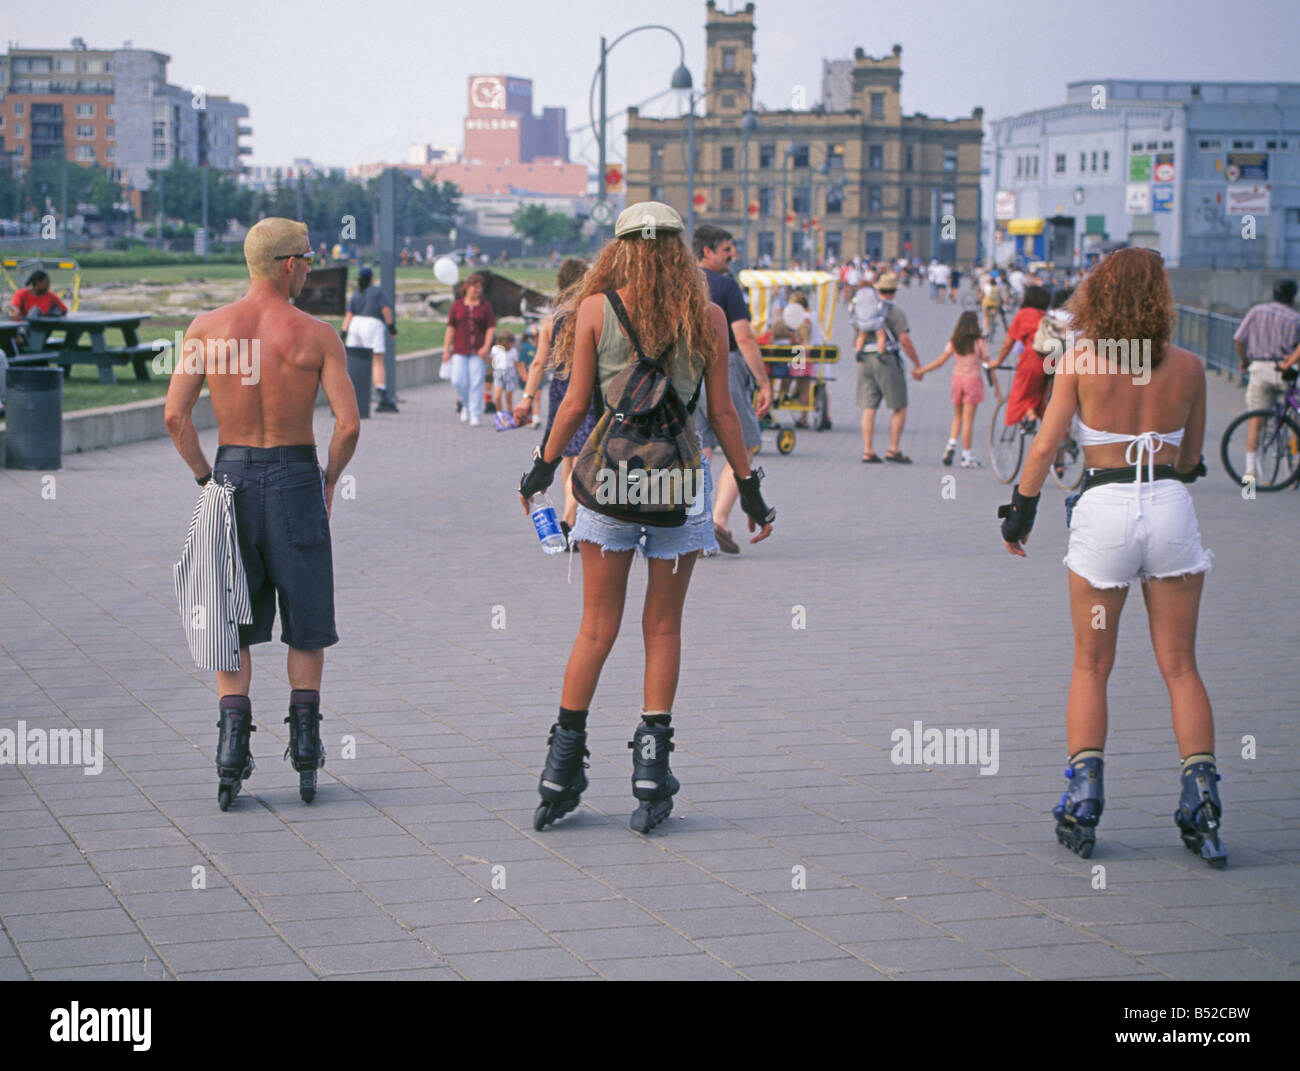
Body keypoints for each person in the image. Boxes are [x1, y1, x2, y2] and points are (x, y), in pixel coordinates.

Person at [518, 201, 774, 834]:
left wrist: (540, 472)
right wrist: (750, 491)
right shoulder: (707, 315)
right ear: (681, 249)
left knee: (595, 629)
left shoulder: (595, 311)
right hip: (679, 484)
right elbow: (724, 415)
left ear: (621, 249)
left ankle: (560, 767)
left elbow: (575, 403)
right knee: (661, 629)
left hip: (607, 482)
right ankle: (651, 773)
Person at [997, 248, 1222, 866]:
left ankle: (1084, 797)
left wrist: (1019, 513)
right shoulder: (1190, 367)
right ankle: (1202, 800)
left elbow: (1045, 446)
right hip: (1170, 509)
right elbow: (1191, 459)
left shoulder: (1080, 360)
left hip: (1104, 514)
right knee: (1180, 666)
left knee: (1091, 665)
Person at [163, 218, 360, 810]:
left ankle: (231, 751)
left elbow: (175, 417)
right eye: (307, 258)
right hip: (297, 475)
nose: (310, 266)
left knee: (229, 612)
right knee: (305, 613)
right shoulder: (316, 334)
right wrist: (327, 480)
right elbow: (348, 425)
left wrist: (206, 481)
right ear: (287, 265)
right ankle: (304, 749)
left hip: (232, 475)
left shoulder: (206, 328)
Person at [692, 223, 773, 555]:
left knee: (700, 449)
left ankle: (694, 524)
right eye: (726, 249)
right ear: (707, 252)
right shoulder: (725, 286)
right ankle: (719, 520)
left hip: (686, 372)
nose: (732, 256)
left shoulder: (680, 283)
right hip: (723, 368)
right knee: (744, 443)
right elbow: (743, 337)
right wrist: (764, 382)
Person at [515, 258, 593, 545]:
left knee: (566, 458)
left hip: (561, 394)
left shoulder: (551, 320)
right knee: (584, 459)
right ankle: (571, 519)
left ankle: (572, 517)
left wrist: (526, 399)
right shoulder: (592, 313)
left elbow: (538, 364)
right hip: (587, 392)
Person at [1232, 279, 1300, 482]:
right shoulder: (1295, 318)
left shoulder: (1256, 311)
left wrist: (1245, 361)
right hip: (1283, 369)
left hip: (1259, 368)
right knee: (1292, 420)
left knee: (1255, 420)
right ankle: (1294, 463)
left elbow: (1238, 339)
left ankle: (1250, 471)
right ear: (1293, 297)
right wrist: (1289, 363)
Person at [854, 272, 921, 463]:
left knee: (869, 406)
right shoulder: (894, 311)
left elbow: (857, 334)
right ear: (893, 291)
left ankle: (868, 449)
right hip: (886, 360)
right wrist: (916, 363)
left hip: (864, 359)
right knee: (899, 405)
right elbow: (904, 340)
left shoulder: (863, 309)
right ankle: (893, 448)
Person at [914, 310, 989, 468]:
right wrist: (995, 387)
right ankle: (966, 454)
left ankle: (951, 445)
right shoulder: (979, 342)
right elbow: (989, 364)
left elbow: (941, 361)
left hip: (957, 381)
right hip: (973, 381)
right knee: (968, 421)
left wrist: (922, 370)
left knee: (957, 416)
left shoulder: (955, 341)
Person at [987, 284, 1051, 427]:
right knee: (1039, 395)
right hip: (1052, 361)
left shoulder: (1023, 314)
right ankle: (1059, 435)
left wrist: (997, 362)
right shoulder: (1047, 316)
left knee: (1019, 392)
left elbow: (1007, 344)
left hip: (1032, 359)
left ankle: (1030, 416)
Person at [443, 273, 495, 426]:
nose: (478, 290)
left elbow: (490, 328)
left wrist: (486, 346)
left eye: (480, 287)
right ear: (467, 287)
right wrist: (446, 349)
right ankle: (466, 403)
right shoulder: (457, 306)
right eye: (475, 287)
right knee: (457, 380)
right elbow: (450, 328)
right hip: (460, 349)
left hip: (478, 351)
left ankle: (475, 413)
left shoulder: (485, 306)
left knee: (476, 381)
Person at [340, 266, 395, 401]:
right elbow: (386, 310)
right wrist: (392, 328)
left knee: (353, 360)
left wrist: (343, 333)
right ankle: (381, 392)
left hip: (355, 325)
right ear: (372, 279)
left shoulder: (356, 294)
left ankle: (348, 391)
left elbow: (348, 315)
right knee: (377, 360)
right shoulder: (377, 291)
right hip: (372, 324)